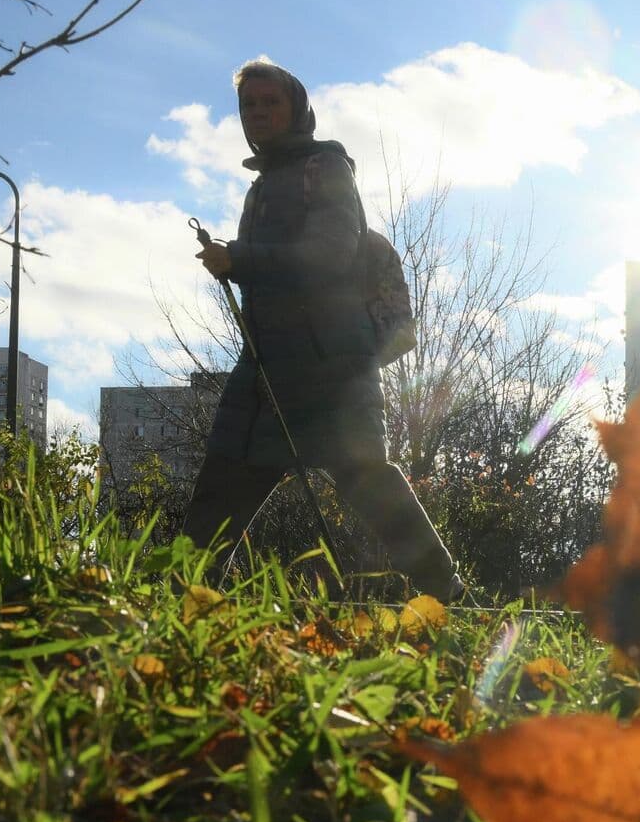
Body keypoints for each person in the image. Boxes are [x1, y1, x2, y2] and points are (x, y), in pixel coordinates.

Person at [182, 60, 460, 600]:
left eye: (269, 103)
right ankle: (185, 600)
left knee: (369, 482)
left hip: (330, 363)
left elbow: (331, 255)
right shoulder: (261, 188)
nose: (257, 113)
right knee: (221, 485)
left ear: (297, 110)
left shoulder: (325, 167)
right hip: (266, 368)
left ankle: (447, 594)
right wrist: (239, 264)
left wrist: (238, 258)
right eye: (248, 106)